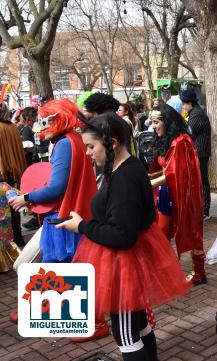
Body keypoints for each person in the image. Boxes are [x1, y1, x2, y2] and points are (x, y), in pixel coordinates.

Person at [59, 113, 190, 361]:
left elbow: (123, 235)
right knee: (138, 326)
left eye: (91, 146)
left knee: (127, 335)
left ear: (112, 142)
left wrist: (82, 227)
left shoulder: (124, 177)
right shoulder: (124, 168)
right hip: (126, 262)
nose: (88, 153)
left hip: (123, 265)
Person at [7, 100, 104, 338]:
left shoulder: (64, 143)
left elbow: (57, 186)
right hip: (70, 212)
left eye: (46, 120)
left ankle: (97, 322)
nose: (40, 127)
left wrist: (26, 198)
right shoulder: (70, 140)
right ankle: (39, 306)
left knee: (69, 267)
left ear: (59, 119)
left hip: (64, 214)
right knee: (61, 265)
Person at [148, 104, 207, 284]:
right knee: (161, 234)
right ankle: (165, 272)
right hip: (166, 195)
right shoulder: (166, 139)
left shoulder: (181, 141)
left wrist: (147, 183)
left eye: (156, 122)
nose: (153, 126)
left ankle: (199, 272)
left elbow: (173, 174)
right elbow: (161, 168)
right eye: (152, 122)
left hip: (184, 195)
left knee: (192, 232)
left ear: (167, 121)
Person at [180, 89, 212, 221]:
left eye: (184, 103)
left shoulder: (197, 114)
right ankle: (201, 208)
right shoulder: (194, 112)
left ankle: (205, 211)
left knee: (202, 181)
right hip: (198, 152)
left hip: (201, 152)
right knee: (199, 181)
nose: (183, 106)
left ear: (189, 103)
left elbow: (189, 131)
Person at [0, 102, 27, 247]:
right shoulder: (13, 128)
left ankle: (7, 244)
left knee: (4, 211)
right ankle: (17, 237)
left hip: (2, 174)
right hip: (12, 173)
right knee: (13, 206)